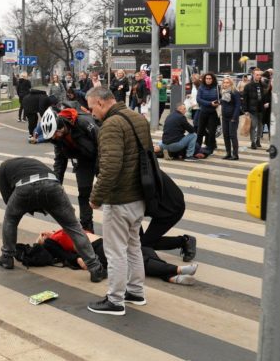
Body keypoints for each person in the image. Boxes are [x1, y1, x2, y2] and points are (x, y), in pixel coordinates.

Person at [84, 85, 152, 316]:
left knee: (115, 251)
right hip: (138, 196)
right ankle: (135, 291)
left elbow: (110, 167)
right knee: (133, 246)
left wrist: (96, 198)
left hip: (120, 198)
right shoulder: (137, 117)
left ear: (102, 103)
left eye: (92, 108)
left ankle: (115, 300)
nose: (92, 113)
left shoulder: (112, 125)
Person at [0, 157, 106, 283]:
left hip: (25, 187)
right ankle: (95, 268)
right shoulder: (30, 162)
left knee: (10, 220)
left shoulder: (3, 169)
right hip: (52, 185)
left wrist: (27, 206)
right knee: (73, 226)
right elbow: (51, 179)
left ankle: (7, 257)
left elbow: (7, 199)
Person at [35, 229, 198, 285]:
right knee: (136, 260)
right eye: (41, 237)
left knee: (144, 249)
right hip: (95, 249)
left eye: (43, 233)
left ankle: (170, 277)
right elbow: (66, 255)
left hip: (105, 242)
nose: (43, 234)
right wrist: (78, 260)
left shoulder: (63, 227)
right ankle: (177, 270)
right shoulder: (51, 242)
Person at [39, 106, 100, 232]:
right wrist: (56, 184)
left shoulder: (83, 122)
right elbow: (60, 161)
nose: (55, 137)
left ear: (62, 125)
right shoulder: (57, 139)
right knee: (84, 194)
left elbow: (103, 143)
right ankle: (87, 228)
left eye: (56, 133)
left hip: (101, 156)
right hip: (82, 161)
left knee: (111, 191)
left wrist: (101, 169)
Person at [242, 68, 270, 150]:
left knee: (260, 126)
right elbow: (245, 99)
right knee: (253, 126)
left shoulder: (262, 85)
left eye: (260, 75)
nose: (259, 76)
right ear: (253, 75)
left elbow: (266, 93)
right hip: (252, 109)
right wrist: (245, 110)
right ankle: (253, 142)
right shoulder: (248, 86)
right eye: (257, 75)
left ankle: (258, 140)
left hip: (261, 109)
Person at [194, 73, 220, 156]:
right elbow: (198, 99)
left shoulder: (217, 87)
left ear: (213, 79)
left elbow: (220, 98)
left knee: (212, 132)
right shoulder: (201, 87)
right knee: (200, 131)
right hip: (203, 111)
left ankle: (210, 148)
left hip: (213, 113)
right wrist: (210, 103)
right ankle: (197, 147)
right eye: (207, 78)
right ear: (204, 79)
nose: (208, 80)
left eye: (210, 78)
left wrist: (217, 103)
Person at [219, 75, 242, 160]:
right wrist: (219, 102)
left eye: (227, 82)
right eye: (224, 82)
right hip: (224, 117)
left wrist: (234, 117)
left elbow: (237, 105)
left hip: (233, 117)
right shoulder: (223, 92)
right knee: (225, 135)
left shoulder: (235, 92)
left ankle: (235, 155)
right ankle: (228, 153)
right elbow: (223, 102)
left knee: (233, 135)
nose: (225, 84)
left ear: (231, 83)